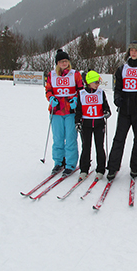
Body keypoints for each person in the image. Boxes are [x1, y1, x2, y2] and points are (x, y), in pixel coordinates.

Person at [106, 41, 137, 180]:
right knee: (119, 138)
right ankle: (113, 167)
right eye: (131, 50)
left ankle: (134, 167)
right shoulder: (122, 69)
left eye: (136, 51)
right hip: (125, 108)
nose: (133, 53)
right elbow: (118, 88)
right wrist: (117, 98)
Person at [45, 49, 84, 177]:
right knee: (58, 138)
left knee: (71, 138)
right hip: (56, 111)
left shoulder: (75, 74)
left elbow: (81, 90)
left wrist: (76, 99)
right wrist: (50, 97)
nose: (64, 63)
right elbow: (48, 89)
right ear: (57, 63)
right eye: (61, 61)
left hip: (70, 110)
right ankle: (58, 161)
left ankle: (70, 163)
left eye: (66, 61)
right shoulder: (52, 75)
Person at [75, 70, 111, 181]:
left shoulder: (100, 93)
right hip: (86, 124)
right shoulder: (81, 94)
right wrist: (78, 122)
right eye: (95, 82)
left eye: (98, 82)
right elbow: (78, 110)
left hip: (99, 124)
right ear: (89, 82)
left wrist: (106, 112)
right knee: (86, 147)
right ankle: (84, 170)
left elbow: (106, 107)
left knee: (99, 147)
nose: (97, 84)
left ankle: (100, 170)